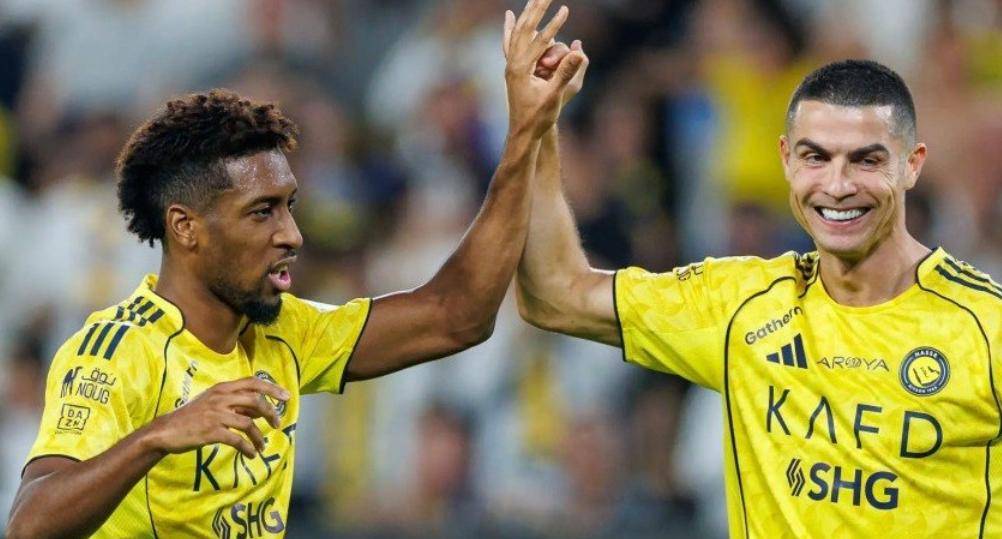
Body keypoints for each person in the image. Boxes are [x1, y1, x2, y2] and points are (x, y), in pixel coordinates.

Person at [4, 1, 588, 536]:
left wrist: (525, 132)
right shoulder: (116, 351)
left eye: (289, 207)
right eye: (262, 212)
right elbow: (29, 524)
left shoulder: (287, 332)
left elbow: (456, 315)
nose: (292, 235)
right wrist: (156, 437)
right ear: (185, 227)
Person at [516, 58, 1002, 536]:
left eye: (866, 160)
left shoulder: (987, 326)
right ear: (786, 160)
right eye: (815, 157)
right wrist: (539, 125)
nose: (837, 186)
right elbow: (555, 295)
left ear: (912, 165)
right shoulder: (741, 305)